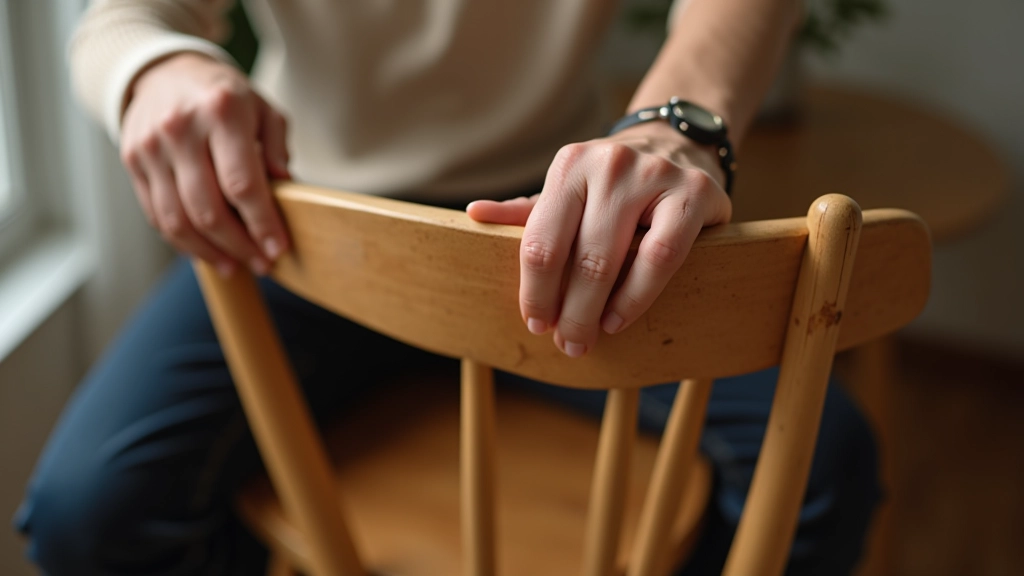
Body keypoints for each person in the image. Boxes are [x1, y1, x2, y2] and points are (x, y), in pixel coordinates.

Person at [15, 0, 881, 574]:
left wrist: (676, 119)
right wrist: (156, 68)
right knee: (87, 511)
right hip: (305, 228)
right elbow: (120, 16)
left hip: (559, 223)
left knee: (822, 467)